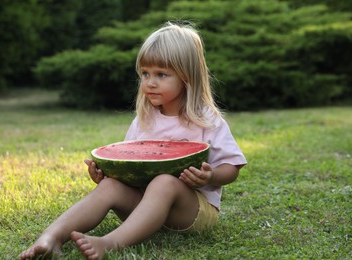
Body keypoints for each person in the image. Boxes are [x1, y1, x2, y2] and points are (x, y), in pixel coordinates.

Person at [18, 21, 247, 260]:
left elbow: (232, 167)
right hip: (142, 207)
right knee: (109, 186)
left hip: (192, 213)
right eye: (145, 73)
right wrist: (107, 175)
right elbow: (130, 166)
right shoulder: (144, 119)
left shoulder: (207, 120)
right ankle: (51, 237)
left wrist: (211, 176)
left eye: (161, 74)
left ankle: (110, 243)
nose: (150, 82)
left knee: (164, 183)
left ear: (187, 77)